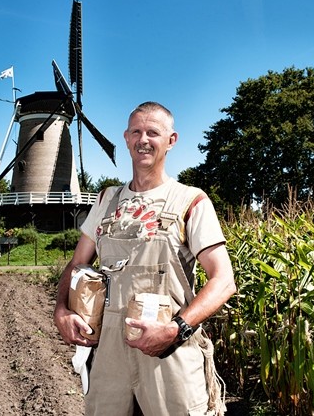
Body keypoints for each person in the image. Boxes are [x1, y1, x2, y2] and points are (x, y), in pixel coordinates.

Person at [53, 101, 236, 415]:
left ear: (171, 140)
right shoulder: (106, 200)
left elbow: (223, 281)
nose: (143, 139)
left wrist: (176, 330)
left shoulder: (190, 200)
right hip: (109, 355)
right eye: (136, 131)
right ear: (126, 138)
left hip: (168, 354)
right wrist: (61, 310)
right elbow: (76, 266)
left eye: (153, 132)